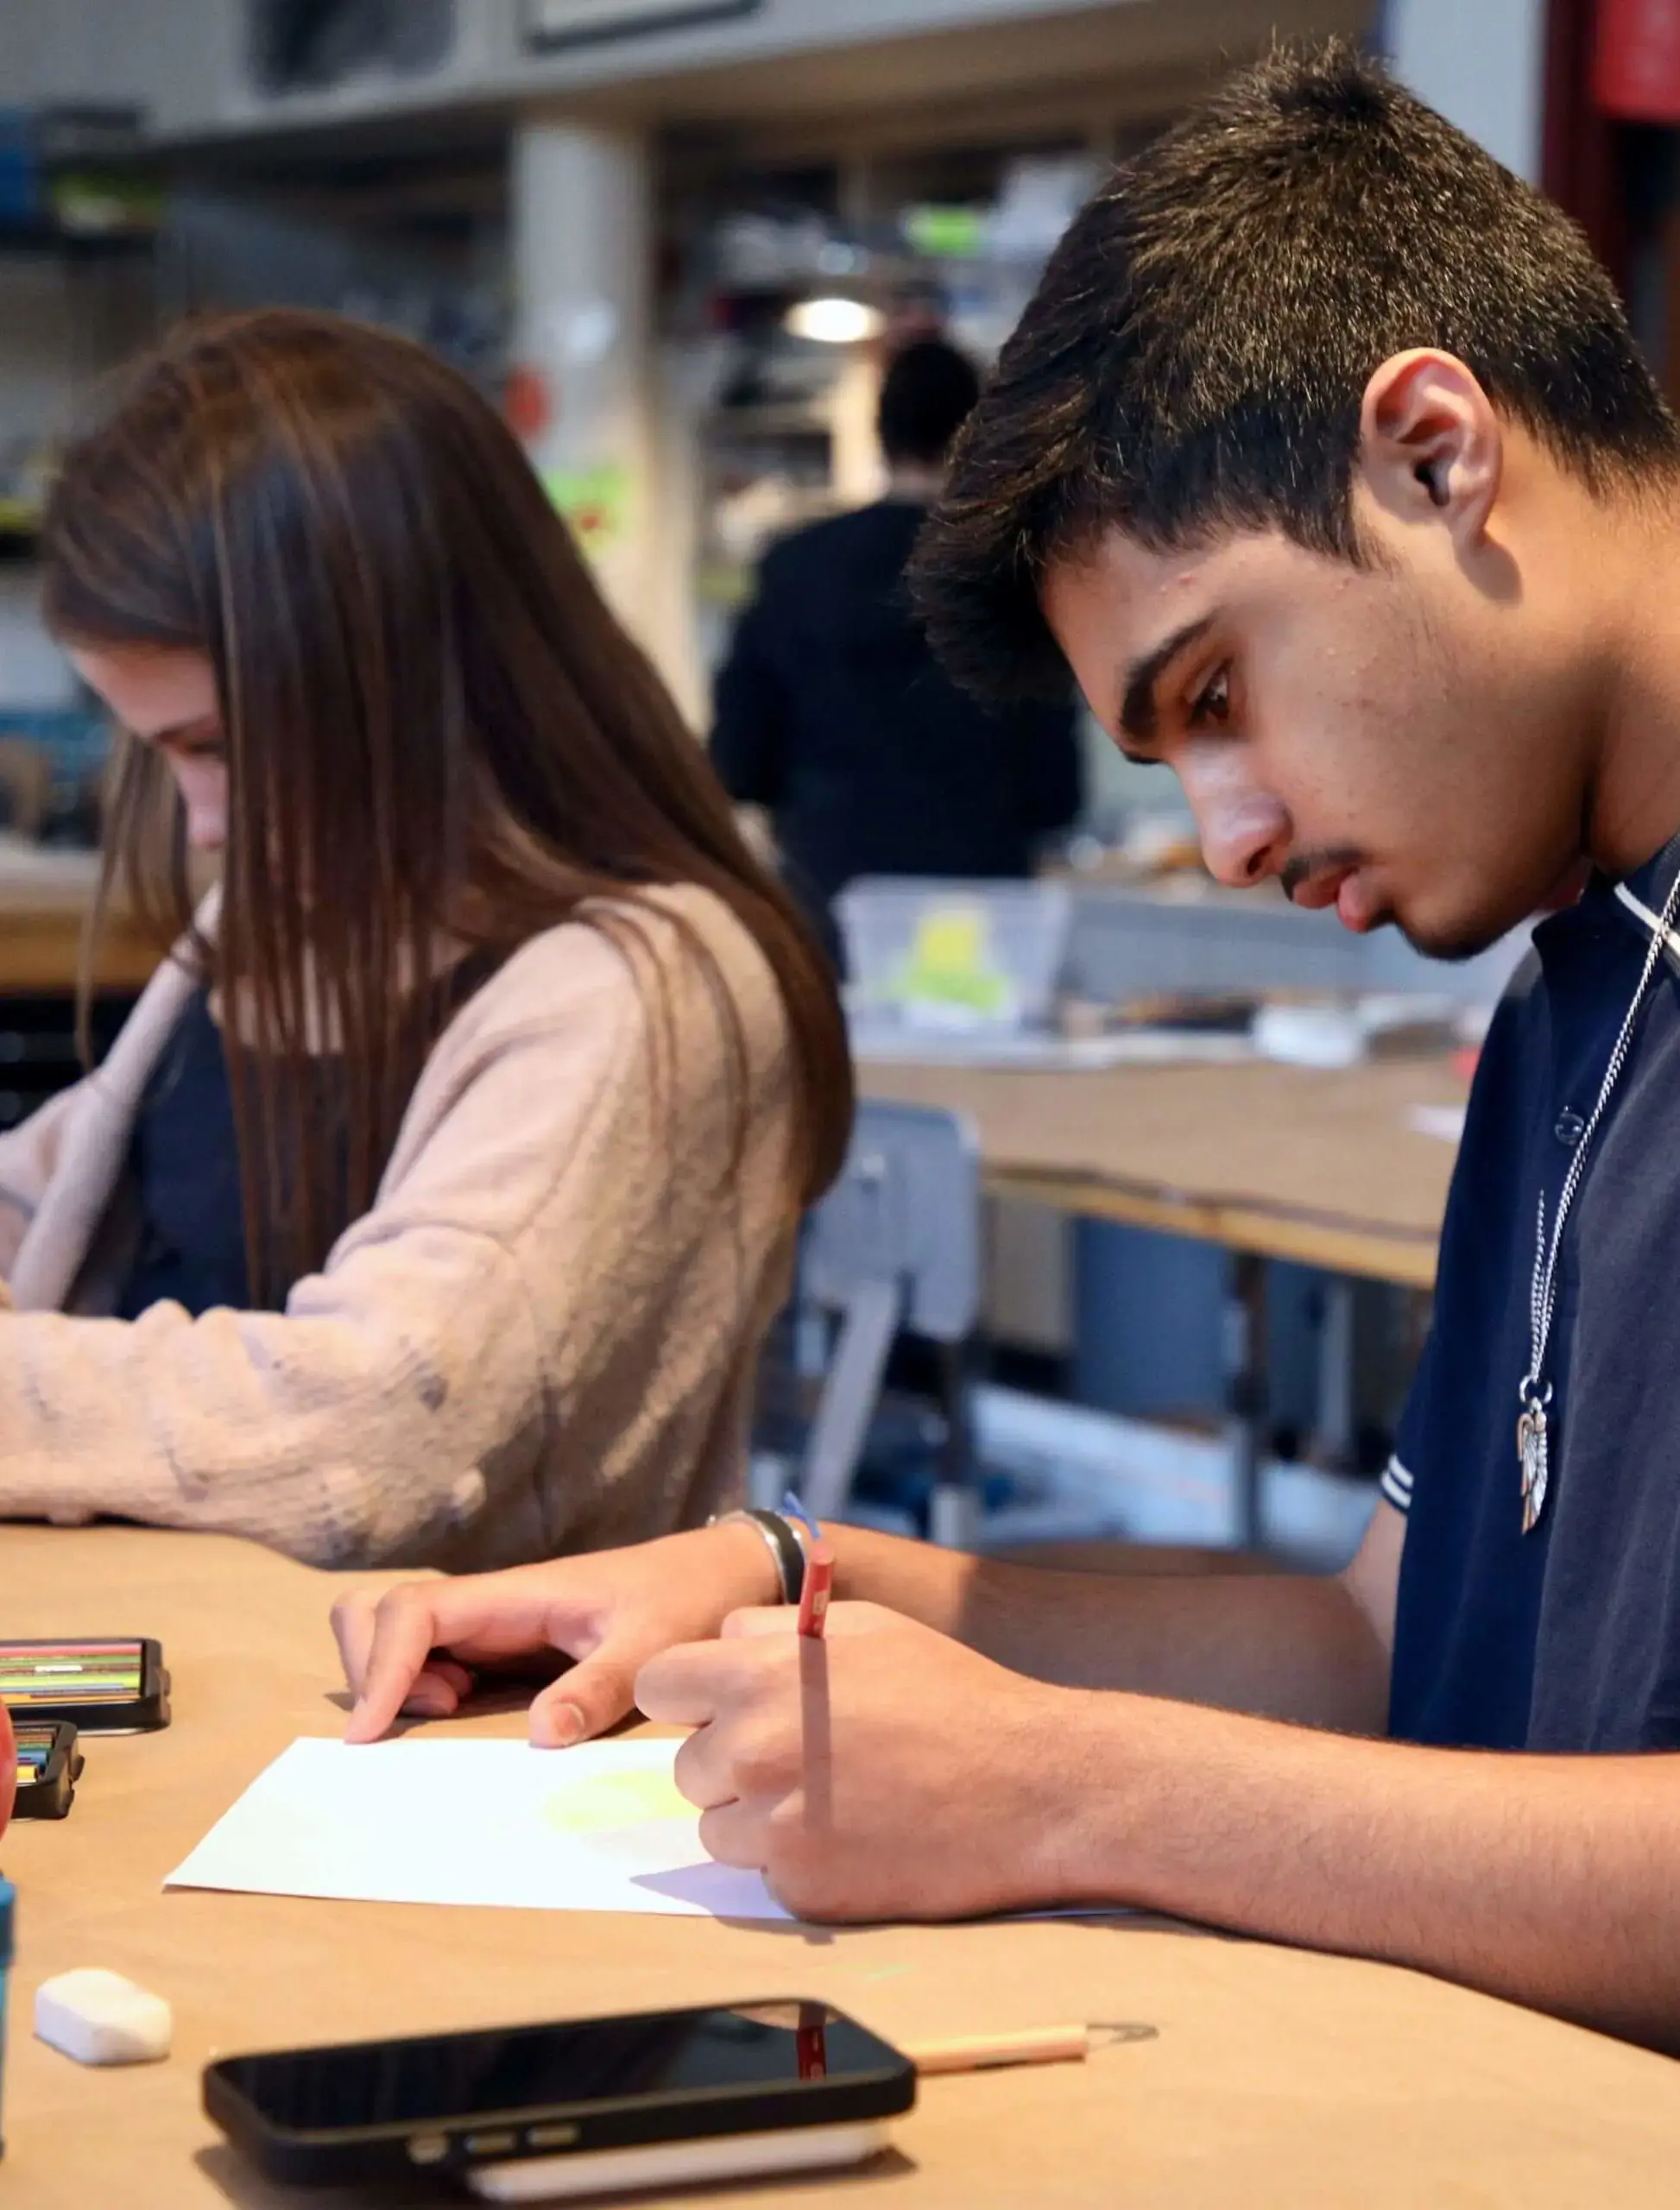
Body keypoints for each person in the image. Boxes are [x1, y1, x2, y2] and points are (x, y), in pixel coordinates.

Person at [334, 43, 1680, 2051]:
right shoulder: (1579, 975)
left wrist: (1078, 1790)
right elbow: (1382, 1639)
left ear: (1432, 451)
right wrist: (809, 1579)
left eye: (1216, 691)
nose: (1228, 837)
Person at [0, 306, 850, 1570]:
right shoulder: (280, 917)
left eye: (220, 748)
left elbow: (377, 1430)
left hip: (436, 1697)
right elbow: (44, 1195)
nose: (207, 823)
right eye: (164, 755)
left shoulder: (646, 985)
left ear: (402, 682)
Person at [709, 338, 1083, 950]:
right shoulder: (1011, 580)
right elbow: (1055, 792)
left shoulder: (794, 570)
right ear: (977, 438)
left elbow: (738, 763)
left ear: (880, 434)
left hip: (830, 906)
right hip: (978, 924)